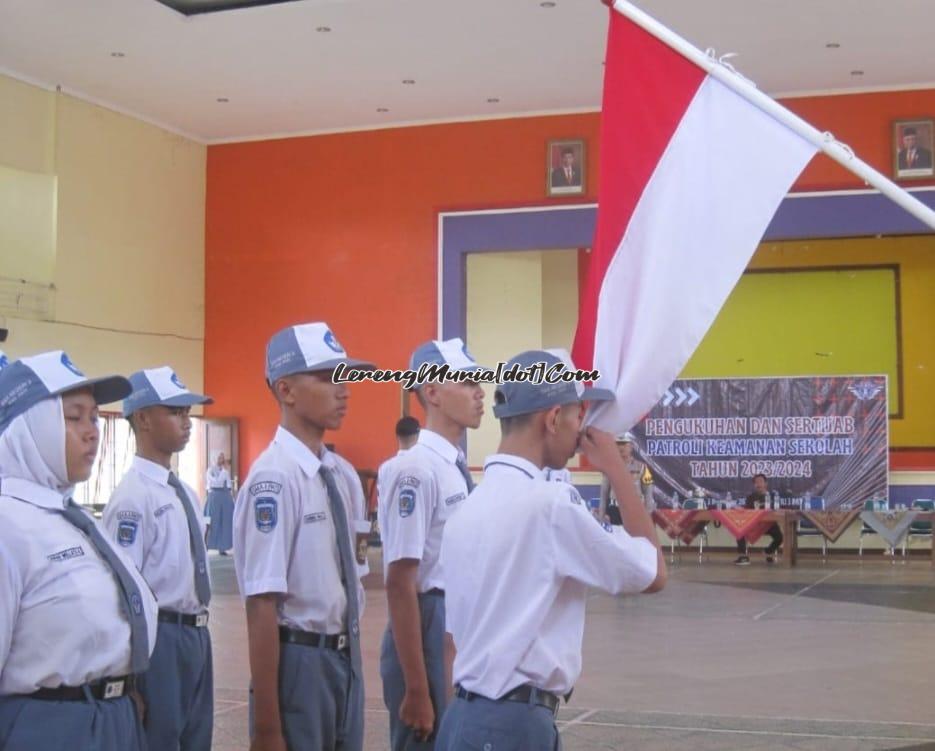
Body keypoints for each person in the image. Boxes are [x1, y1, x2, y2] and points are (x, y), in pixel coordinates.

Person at [436, 350, 666, 750]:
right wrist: (615, 468)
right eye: (579, 417)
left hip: (465, 717)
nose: (582, 433)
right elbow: (651, 572)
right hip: (512, 724)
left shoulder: (467, 507)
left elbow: (452, 639)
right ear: (553, 418)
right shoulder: (551, 504)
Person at [0, 350, 158, 751]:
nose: (93, 431)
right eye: (73, 418)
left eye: (94, 417)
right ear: (27, 429)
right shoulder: (8, 523)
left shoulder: (69, 516)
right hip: (51, 728)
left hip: (111, 718)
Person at [234, 322, 373, 751]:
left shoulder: (340, 475)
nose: (344, 389)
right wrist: (267, 728)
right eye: (328, 378)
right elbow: (261, 604)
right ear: (286, 389)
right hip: (298, 661)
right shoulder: (274, 480)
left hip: (343, 655)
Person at [377, 338, 488, 751]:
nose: (479, 392)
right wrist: (417, 688)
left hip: (452, 619)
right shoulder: (416, 470)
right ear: (432, 392)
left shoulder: (451, 467)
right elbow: (400, 581)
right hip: (425, 621)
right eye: (466, 381)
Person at [102, 366, 214, 751]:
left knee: (196, 737)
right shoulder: (133, 498)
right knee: (161, 740)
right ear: (143, 418)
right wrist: (131, 675)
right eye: (175, 412)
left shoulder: (183, 492)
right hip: (160, 638)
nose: (186, 422)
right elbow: (122, 592)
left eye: (187, 413)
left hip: (196, 633)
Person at [600, 432, 653, 522]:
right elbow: (604, 494)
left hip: (636, 510)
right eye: (618, 444)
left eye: (624, 444)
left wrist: (648, 514)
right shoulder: (609, 467)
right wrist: (602, 516)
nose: (621, 447)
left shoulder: (643, 467)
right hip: (615, 511)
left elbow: (648, 492)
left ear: (631, 446)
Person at [734, 473, 783, 566]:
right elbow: (746, 511)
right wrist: (741, 509)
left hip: (769, 525)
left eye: (760, 482)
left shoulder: (773, 496)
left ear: (766, 483)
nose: (758, 484)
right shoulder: (751, 497)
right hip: (754, 524)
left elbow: (777, 509)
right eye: (756, 482)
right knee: (739, 531)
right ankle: (743, 557)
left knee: (780, 538)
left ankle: (768, 551)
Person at [205, 451, 235, 555]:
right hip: (214, 497)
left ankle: (222, 547)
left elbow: (228, 485)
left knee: (225, 521)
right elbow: (216, 483)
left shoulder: (225, 471)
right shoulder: (210, 471)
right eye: (219, 457)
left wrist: (231, 498)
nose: (221, 459)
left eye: (222, 457)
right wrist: (223, 473)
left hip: (225, 497)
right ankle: (207, 545)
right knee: (212, 521)